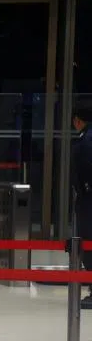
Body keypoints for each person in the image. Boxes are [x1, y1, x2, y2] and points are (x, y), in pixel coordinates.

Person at [71, 103, 92, 309]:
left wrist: (85, 190)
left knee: (89, 242)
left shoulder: (86, 141)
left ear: (77, 120)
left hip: (89, 202)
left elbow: (85, 170)